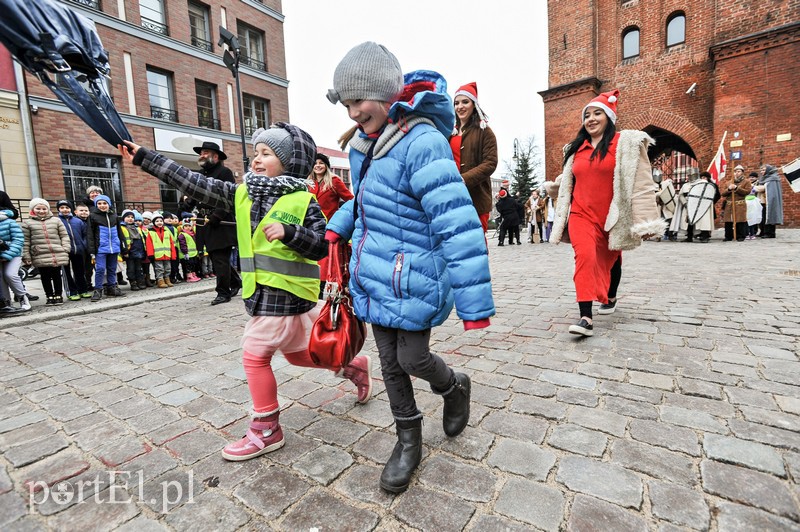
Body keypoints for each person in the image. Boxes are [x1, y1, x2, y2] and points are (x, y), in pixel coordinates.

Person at [120, 121, 374, 462]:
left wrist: (289, 232)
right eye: (256, 152)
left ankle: (266, 429)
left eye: (266, 153)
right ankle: (352, 365)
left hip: (283, 295)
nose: (256, 159)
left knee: (255, 355)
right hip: (264, 295)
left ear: (288, 163)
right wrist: (146, 158)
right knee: (299, 354)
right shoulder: (241, 192)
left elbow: (319, 246)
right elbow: (194, 182)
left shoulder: (303, 200)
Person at [325, 41, 494, 493]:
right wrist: (336, 227)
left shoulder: (422, 142)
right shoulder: (365, 143)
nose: (351, 113)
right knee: (389, 362)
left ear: (383, 93)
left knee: (412, 356)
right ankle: (408, 438)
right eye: (345, 104)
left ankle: (454, 386)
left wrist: (474, 303)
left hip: (414, 273)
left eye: (356, 101)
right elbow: (364, 201)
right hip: (373, 269)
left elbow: (457, 222)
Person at [546, 89, 664, 337]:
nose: (591, 119)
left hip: (612, 216)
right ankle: (585, 317)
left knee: (613, 259)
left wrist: (647, 222)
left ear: (608, 117)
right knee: (585, 257)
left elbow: (641, 183)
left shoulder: (625, 144)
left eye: (597, 113)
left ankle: (610, 295)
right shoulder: (576, 148)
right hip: (581, 215)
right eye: (587, 115)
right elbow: (570, 179)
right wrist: (553, 189)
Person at [187, 141, 240, 304]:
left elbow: (229, 198)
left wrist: (217, 216)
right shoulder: (201, 174)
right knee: (217, 257)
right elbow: (196, 194)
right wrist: (188, 203)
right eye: (201, 153)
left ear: (215, 156)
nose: (201, 155)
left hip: (220, 222)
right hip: (204, 222)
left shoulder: (225, 172)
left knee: (219, 258)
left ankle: (223, 292)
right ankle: (235, 282)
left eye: (205, 153)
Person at [449, 82, 498, 233]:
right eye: (456, 103)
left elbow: (490, 163)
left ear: (474, 105)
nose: (460, 107)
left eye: (465, 102)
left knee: (477, 244)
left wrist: (465, 179)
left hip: (476, 198)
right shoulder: (450, 133)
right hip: (452, 197)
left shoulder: (485, 132)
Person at [308, 152, 354, 295]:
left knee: (326, 260)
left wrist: (342, 219)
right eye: (315, 163)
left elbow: (351, 200)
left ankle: (325, 288)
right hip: (311, 226)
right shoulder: (308, 183)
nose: (318, 165)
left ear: (326, 166)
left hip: (329, 227)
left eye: (321, 163)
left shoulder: (334, 181)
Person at [22, 198, 71, 306]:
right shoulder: (27, 223)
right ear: (33, 209)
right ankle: (49, 295)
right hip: (40, 254)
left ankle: (58, 295)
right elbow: (26, 241)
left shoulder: (56, 220)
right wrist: (27, 255)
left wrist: (65, 248)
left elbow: (64, 235)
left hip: (56, 252)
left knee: (57, 275)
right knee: (45, 277)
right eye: (38, 208)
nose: (41, 211)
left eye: (44, 208)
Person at [86, 194, 125, 301]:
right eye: (99, 203)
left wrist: (122, 245)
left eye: (104, 203)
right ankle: (98, 289)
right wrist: (92, 250)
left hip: (114, 247)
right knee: (100, 269)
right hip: (101, 248)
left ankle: (112, 288)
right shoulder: (93, 216)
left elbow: (119, 232)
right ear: (96, 205)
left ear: (109, 204)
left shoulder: (114, 216)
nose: (102, 205)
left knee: (112, 269)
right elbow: (90, 234)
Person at [56, 200, 91, 300]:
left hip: (78, 250)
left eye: (67, 207)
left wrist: (83, 245)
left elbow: (85, 234)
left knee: (80, 271)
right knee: (67, 273)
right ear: (58, 209)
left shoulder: (78, 221)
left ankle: (83, 290)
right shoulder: (57, 221)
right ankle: (71, 291)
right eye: (62, 208)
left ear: (71, 209)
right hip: (65, 251)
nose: (65, 210)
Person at [0, 207, 30, 313]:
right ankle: (6, 302)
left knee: (10, 274)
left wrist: (7, 255)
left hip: (14, 254)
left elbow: (18, 239)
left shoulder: (9, 222)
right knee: (1, 279)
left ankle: (23, 298)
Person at [720, 165, 750, 242]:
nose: (736, 173)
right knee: (728, 221)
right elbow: (723, 193)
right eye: (735, 171)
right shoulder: (728, 182)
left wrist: (737, 188)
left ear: (742, 172)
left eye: (738, 171)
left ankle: (740, 236)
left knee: (740, 220)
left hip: (739, 204)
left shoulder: (746, 182)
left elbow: (747, 192)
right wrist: (729, 189)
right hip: (729, 204)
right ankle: (728, 236)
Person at [145, 212, 176, 288]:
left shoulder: (166, 232)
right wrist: (150, 254)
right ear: (154, 222)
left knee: (168, 268)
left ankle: (167, 279)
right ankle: (160, 280)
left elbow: (171, 244)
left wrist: (173, 255)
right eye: (157, 221)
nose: (159, 223)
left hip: (167, 254)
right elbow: (149, 244)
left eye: (161, 221)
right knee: (159, 269)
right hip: (157, 255)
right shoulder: (151, 232)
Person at [120, 209, 146, 290]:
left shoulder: (137, 228)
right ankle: (133, 282)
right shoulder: (122, 227)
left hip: (138, 251)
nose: (130, 218)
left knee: (139, 268)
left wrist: (143, 250)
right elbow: (122, 240)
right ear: (123, 218)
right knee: (131, 268)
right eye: (128, 217)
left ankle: (140, 281)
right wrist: (125, 251)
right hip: (129, 251)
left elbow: (142, 240)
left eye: (132, 217)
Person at [755, 164, 783, 238]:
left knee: (770, 216)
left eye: (763, 170)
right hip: (763, 201)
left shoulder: (773, 178)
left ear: (768, 170)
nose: (762, 172)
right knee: (763, 217)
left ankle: (770, 233)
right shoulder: (764, 178)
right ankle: (763, 231)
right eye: (761, 170)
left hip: (770, 201)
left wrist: (754, 187)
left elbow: (765, 188)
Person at [177, 218, 201, 282]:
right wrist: (185, 252)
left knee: (193, 264)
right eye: (186, 226)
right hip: (186, 254)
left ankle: (193, 274)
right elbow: (183, 244)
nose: (188, 227)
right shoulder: (182, 235)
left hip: (193, 253)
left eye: (189, 226)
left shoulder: (192, 234)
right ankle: (189, 276)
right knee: (188, 266)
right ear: (183, 227)